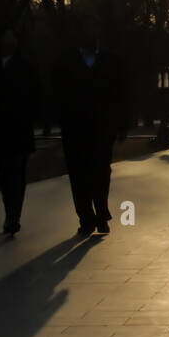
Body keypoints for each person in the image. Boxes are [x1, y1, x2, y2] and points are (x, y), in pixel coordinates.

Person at [55, 13, 126, 237]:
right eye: (87, 29)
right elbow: (58, 95)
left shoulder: (111, 61)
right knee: (78, 175)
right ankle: (86, 217)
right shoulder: (65, 62)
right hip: (75, 127)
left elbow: (120, 94)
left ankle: (101, 211)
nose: (91, 34)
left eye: (94, 29)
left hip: (102, 127)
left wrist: (121, 123)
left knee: (101, 172)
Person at [0, 28, 40, 236]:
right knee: (5, 174)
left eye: (12, 36)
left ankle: (14, 215)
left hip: (19, 127)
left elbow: (35, 95)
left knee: (17, 172)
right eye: (4, 36)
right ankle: (10, 211)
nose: (8, 40)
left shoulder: (26, 67)